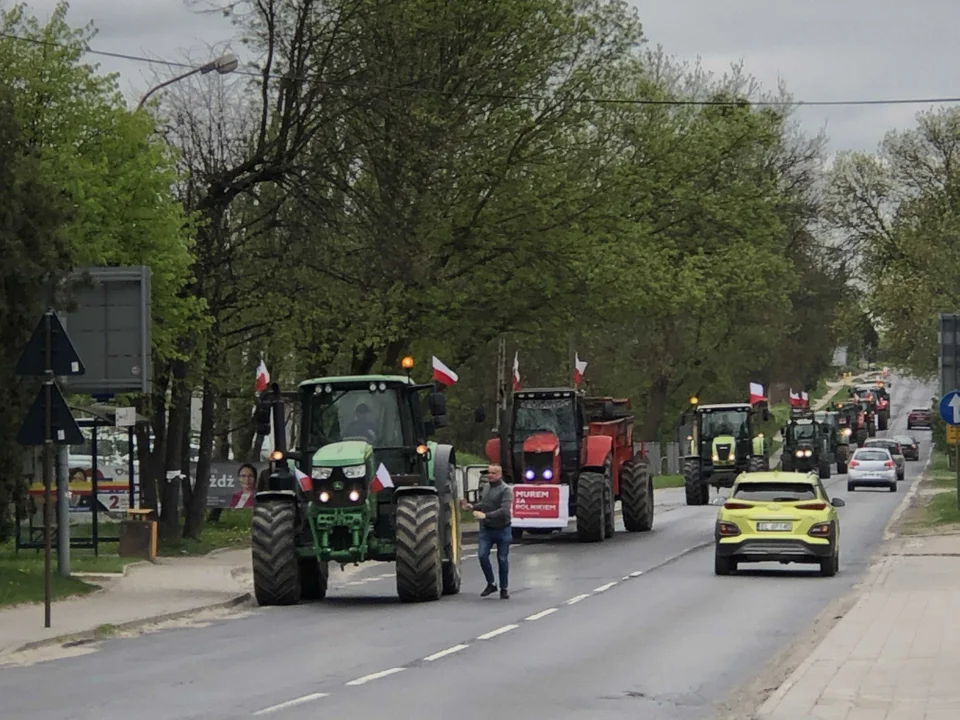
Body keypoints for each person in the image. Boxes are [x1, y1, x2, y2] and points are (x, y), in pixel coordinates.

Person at [461, 464, 513, 599]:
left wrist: (485, 516)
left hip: (503, 528)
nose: (490, 475)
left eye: (494, 473)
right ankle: (491, 583)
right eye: (489, 473)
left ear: (500, 475)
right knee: (482, 555)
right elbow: (484, 505)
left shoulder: (506, 490)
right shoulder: (486, 488)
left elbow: (504, 511)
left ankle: (504, 588)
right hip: (487, 529)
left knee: (502, 559)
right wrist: (471, 507)